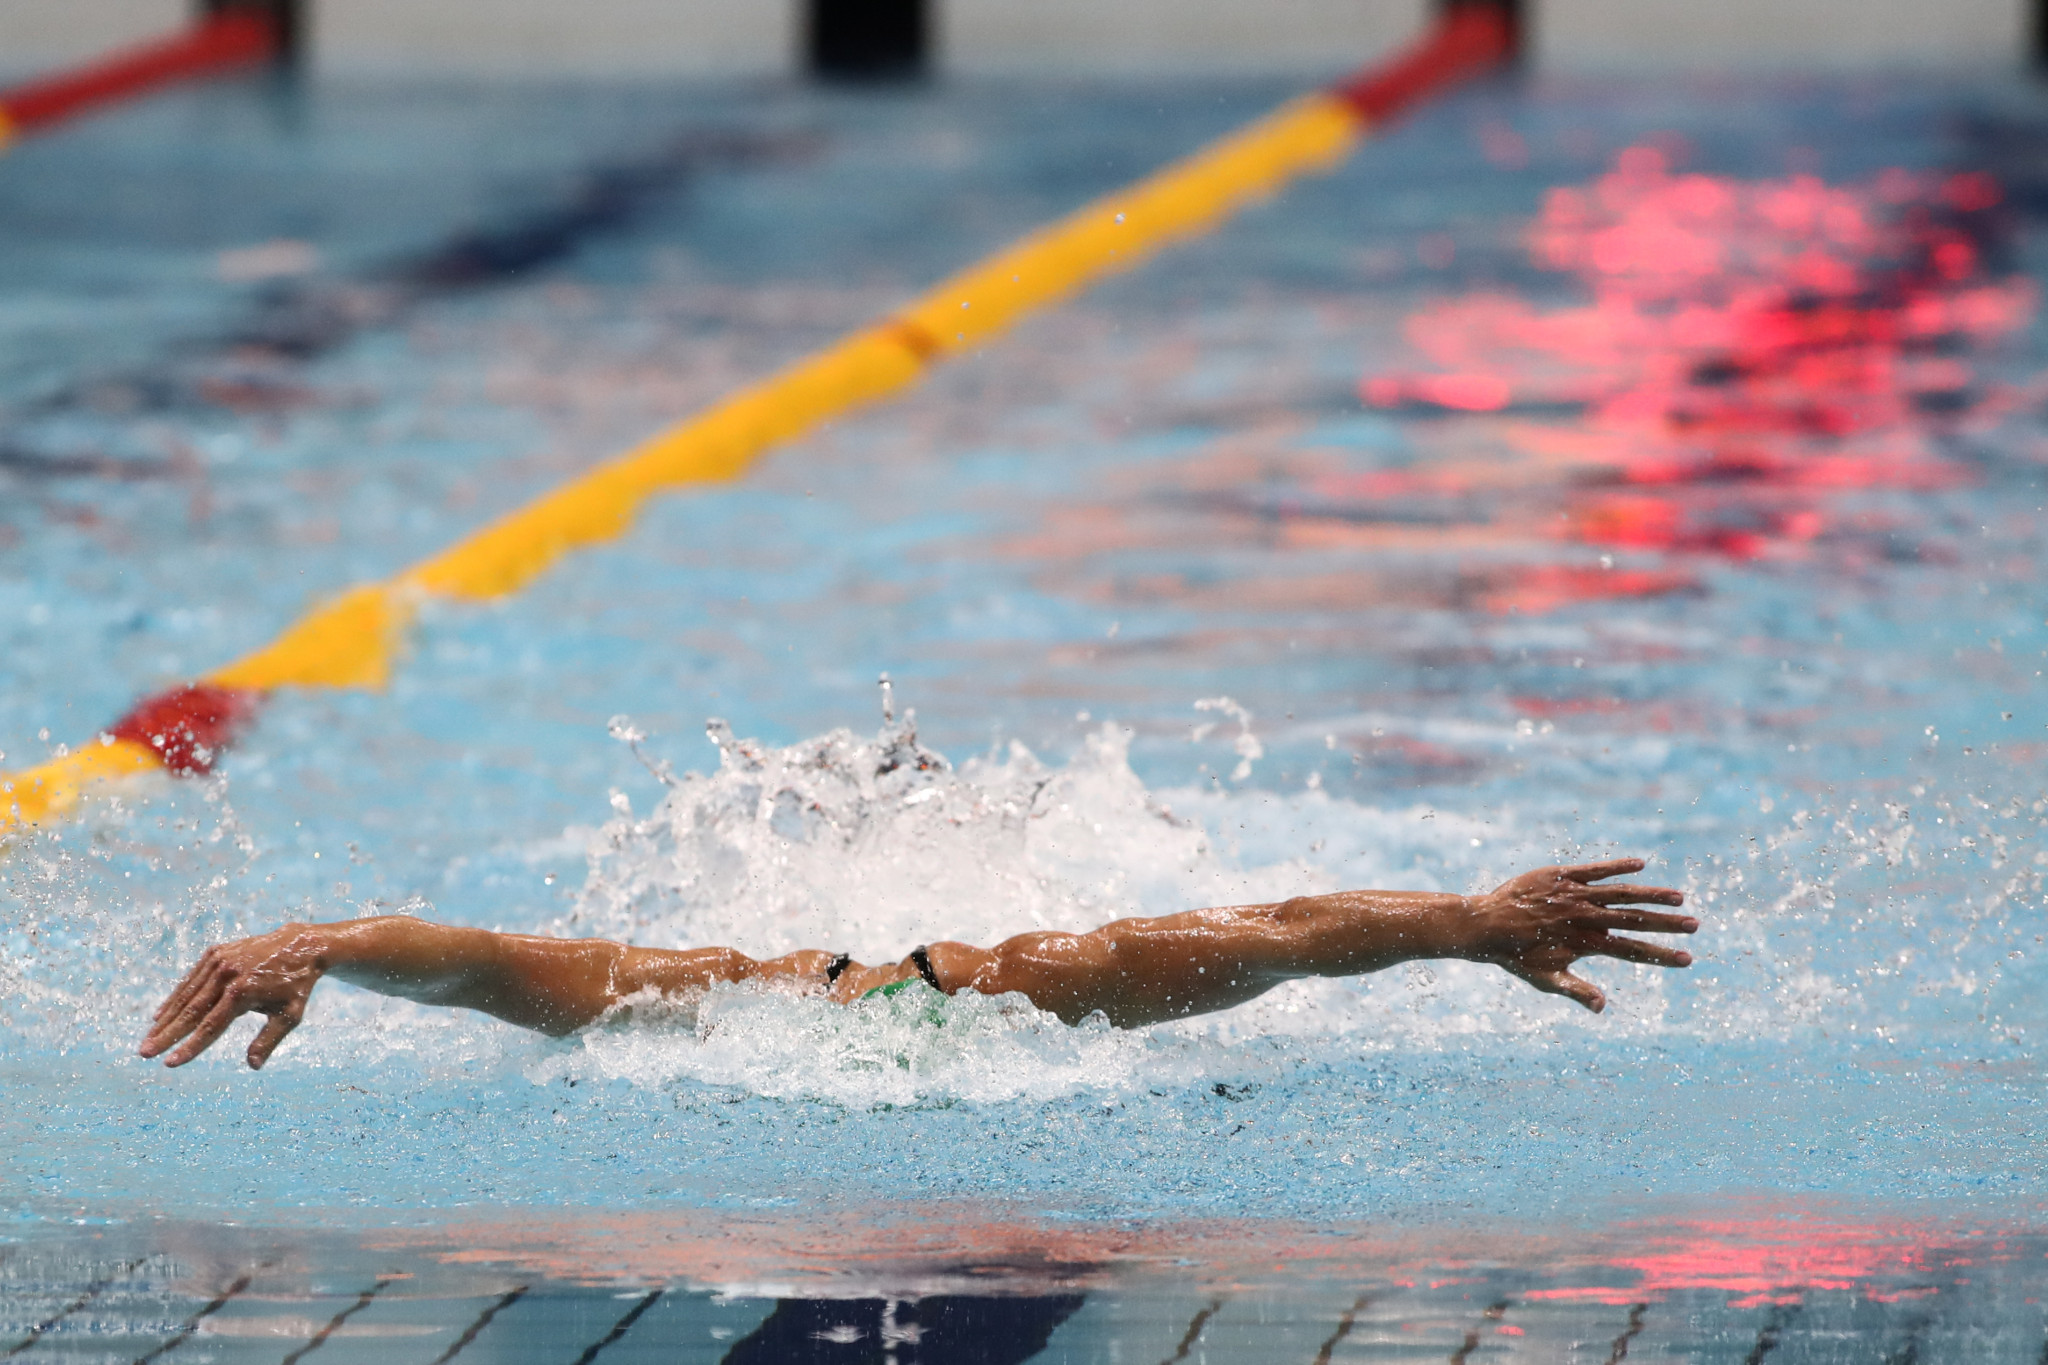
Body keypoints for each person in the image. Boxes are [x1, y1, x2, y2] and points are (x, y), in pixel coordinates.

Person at [140, 858, 1695, 1070]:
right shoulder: (761, 989)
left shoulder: (1029, 975)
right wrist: (319, 946)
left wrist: (1470, 920)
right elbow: (499, 963)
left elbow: (1275, 937)